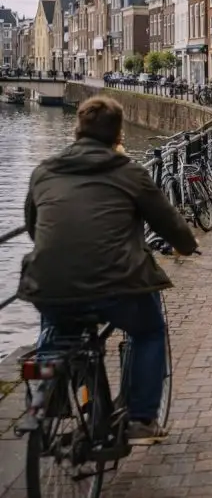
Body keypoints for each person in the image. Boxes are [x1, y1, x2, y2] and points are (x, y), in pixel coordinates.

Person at [18, 96, 199, 444]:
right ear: (117, 134)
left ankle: (49, 399)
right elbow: (169, 222)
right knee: (148, 332)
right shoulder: (129, 172)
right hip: (117, 283)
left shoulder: (44, 171)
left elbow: (33, 226)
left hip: (49, 279)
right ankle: (141, 418)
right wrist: (186, 246)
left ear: (77, 130)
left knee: (56, 318)